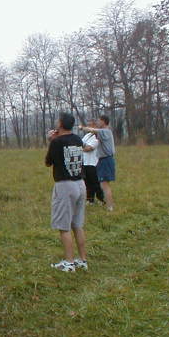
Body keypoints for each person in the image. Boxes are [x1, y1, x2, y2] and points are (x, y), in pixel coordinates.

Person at [45, 112, 88, 272]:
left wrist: (51, 141)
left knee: (64, 227)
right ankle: (82, 260)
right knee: (77, 224)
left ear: (61, 124)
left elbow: (48, 162)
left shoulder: (56, 142)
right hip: (80, 184)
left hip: (65, 185)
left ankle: (69, 263)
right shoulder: (77, 139)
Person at [79, 115, 116, 211]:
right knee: (102, 184)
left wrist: (82, 128)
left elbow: (92, 133)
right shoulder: (101, 133)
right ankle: (107, 205)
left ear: (103, 121)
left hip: (106, 160)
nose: (97, 123)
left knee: (104, 185)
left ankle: (109, 206)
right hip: (102, 160)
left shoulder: (105, 131)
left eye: (99, 121)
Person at [81, 120, 104, 205]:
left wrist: (81, 148)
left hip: (93, 163)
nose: (89, 128)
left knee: (95, 183)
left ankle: (101, 199)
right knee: (87, 183)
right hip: (85, 163)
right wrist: (82, 147)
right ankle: (90, 199)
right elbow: (80, 143)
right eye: (88, 126)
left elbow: (89, 148)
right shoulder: (87, 136)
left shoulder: (97, 137)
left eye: (91, 126)